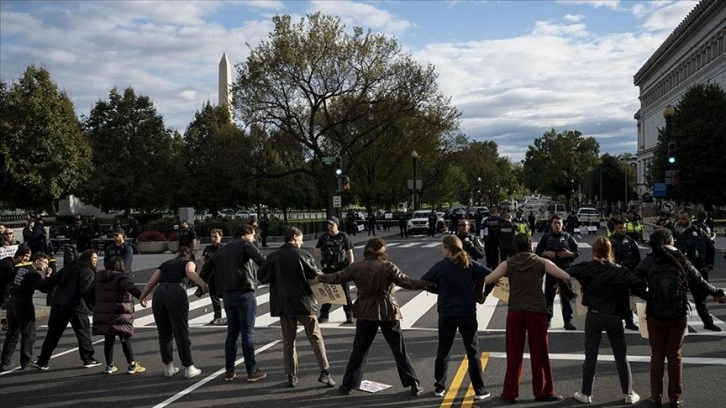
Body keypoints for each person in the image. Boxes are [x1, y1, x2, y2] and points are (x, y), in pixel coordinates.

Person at [315, 237, 434, 397]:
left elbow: (337, 277)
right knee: (399, 349)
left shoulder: (356, 267)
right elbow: (407, 282)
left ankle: (347, 385)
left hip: (365, 309)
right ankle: (414, 384)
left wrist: (320, 277)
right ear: (382, 251)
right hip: (387, 309)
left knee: (359, 349)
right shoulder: (388, 266)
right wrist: (427, 283)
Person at [635, 229, 726, 407]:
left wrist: (650, 297)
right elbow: (699, 281)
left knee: (657, 356)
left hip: (655, 314)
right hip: (678, 314)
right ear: (671, 241)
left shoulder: (649, 261)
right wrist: (717, 293)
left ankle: (656, 396)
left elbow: (634, 282)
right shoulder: (681, 260)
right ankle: (675, 398)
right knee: (675, 356)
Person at [484, 233, 572, 404]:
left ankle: (509, 393)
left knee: (514, 353)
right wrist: (561, 285)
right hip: (537, 311)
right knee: (540, 353)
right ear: (531, 245)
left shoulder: (507, 264)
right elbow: (565, 275)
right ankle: (543, 391)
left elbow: (488, 279)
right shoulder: (542, 262)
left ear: (515, 247)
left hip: (515, 310)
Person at [567, 237, 647, 405]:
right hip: (614, 316)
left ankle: (586, 393)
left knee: (590, 356)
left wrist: (566, 289)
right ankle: (629, 393)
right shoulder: (620, 270)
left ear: (593, 251)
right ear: (610, 252)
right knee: (621, 355)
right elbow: (639, 284)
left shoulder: (587, 268)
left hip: (594, 315)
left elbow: (565, 273)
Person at [257, 227, 335, 388]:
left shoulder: (273, 256)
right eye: (300, 238)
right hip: (304, 301)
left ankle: (291, 375)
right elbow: (316, 275)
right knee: (315, 338)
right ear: (294, 237)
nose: (302, 241)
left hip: (283, 303)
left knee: (288, 341)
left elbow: (262, 276)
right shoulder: (303, 255)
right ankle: (325, 372)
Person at [421, 235, 492, 401]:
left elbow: (424, 281)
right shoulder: (470, 263)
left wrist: (440, 290)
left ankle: (439, 387)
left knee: (444, 351)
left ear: (447, 249)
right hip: (467, 312)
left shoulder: (441, 266)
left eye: (443, 248)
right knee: (473, 352)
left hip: (447, 313)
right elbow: (493, 276)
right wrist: (481, 294)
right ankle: (480, 390)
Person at [202, 224, 267, 382]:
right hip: (245, 291)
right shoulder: (245, 245)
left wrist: (201, 285)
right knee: (247, 332)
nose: (254, 238)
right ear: (246, 234)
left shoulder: (223, 249)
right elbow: (262, 261)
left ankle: (229, 371)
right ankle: (251, 371)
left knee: (232, 333)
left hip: (227, 294)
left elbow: (206, 267)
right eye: (253, 235)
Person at [139, 246, 208, 379]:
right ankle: (188, 367)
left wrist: (142, 297)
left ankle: (168, 367)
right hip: (176, 291)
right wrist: (203, 285)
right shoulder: (188, 262)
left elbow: (152, 281)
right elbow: (189, 271)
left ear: (177, 254)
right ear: (190, 256)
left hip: (159, 293)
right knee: (181, 330)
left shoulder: (165, 264)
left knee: (164, 333)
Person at [34, 249, 100, 370]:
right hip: (76, 306)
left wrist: (45, 279)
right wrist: (93, 306)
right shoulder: (88, 271)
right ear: (88, 259)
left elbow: (50, 283)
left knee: (53, 333)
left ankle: (42, 361)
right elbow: (85, 290)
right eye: (94, 258)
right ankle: (88, 359)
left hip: (58, 304)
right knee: (83, 333)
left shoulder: (68, 268)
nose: (96, 261)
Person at [93, 256, 145, 375]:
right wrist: (142, 296)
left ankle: (109, 366)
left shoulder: (99, 277)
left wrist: (94, 305)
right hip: (119, 312)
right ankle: (131, 365)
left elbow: (90, 292)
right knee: (125, 337)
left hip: (104, 312)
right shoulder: (121, 277)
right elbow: (131, 287)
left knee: (108, 339)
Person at [0, 252, 52, 371]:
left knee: (12, 333)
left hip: (12, 302)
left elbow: (10, 280)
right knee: (28, 333)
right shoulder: (34, 274)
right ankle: (26, 361)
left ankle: (4, 361)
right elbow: (43, 288)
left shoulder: (21, 269)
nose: (46, 266)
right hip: (24, 302)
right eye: (45, 263)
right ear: (38, 260)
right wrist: (48, 276)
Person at [670, 210, 719, 331]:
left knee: (701, 300)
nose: (681, 221)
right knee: (677, 299)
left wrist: (709, 265)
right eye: (679, 219)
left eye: (684, 219)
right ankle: (679, 325)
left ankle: (708, 323)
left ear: (690, 220)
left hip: (697, 271)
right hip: (679, 272)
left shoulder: (699, 231)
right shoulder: (672, 233)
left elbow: (710, 248)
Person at [535, 214, 579, 330]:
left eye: (559, 223)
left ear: (562, 224)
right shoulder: (545, 237)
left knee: (566, 299)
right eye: (555, 223)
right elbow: (537, 252)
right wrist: (545, 253)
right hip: (551, 272)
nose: (557, 225)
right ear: (551, 224)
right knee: (549, 298)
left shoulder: (568, 237)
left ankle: (568, 321)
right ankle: (547, 320)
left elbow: (577, 252)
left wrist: (570, 254)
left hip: (565, 271)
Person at [315, 217, 354, 324]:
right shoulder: (324, 237)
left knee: (346, 294)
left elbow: (350, 252)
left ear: (337, 225)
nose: (330, 226)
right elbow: (316, 250)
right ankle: (324, 315)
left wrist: (350, 268)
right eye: (328, 224)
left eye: (332, 224)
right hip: (328, 269)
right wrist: (325, 251)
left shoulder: (343, 236)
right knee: (328, 292)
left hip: (342, 269)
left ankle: (349, 316)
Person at [610, 219, 641, 330]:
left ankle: (629, 321)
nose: (622, 230)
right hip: (614, 275)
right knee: (613, 299)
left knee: (628, 299)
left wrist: (636, 274)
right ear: (615, 228)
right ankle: (614, 321)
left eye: (624, 228)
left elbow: (637, 258)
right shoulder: (610, 241)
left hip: (628, 274)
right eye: (620, 228)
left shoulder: (631, 241)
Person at [199, 228, 225, 325]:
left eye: (216, 237)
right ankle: (217, 316)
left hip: (221, 275)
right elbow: (202, 259)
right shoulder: (208, 248)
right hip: (211, 275)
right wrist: (205, 267)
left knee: (225, 296)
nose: (213, 239)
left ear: (220, 237)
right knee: (214, 296)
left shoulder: (223, 248)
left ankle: (230, 316)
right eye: (212, 236)